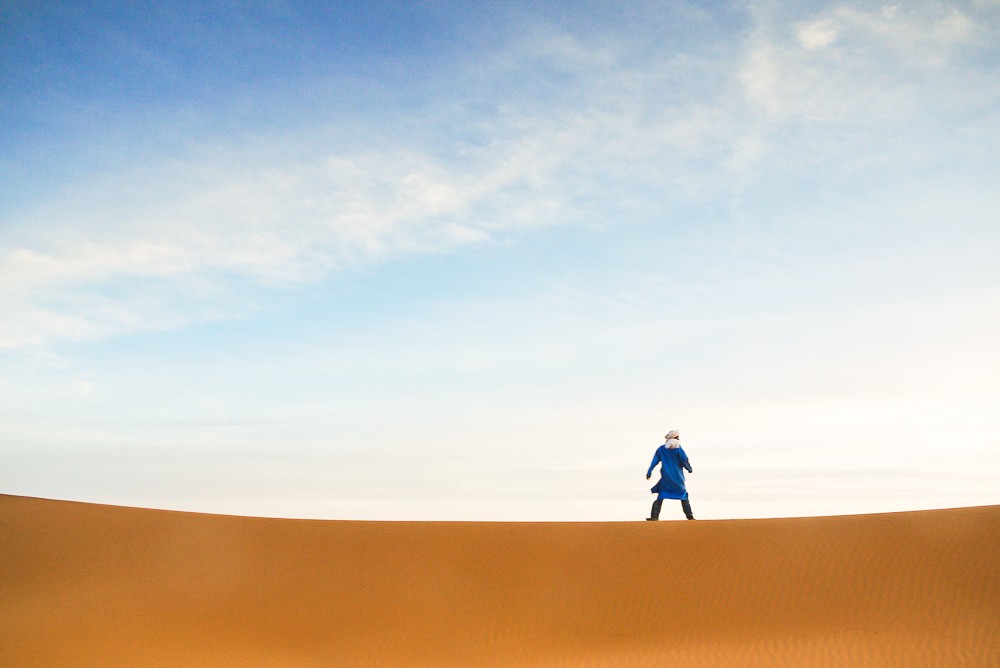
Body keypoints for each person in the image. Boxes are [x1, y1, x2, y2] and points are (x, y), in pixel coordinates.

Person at [645, 430, 695, 520]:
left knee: (661, 496)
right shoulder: (679, 449)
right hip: (678, 478)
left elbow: (654, 461)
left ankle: (654, 517)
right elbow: (684, 460)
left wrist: (649, 471)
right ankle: (690, 517)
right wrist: (689, 468)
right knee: (683, 495)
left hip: (666, 478)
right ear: (675, 438)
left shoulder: (661, 449)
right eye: (677, 437)